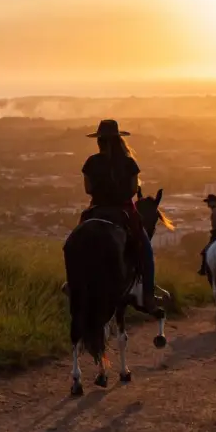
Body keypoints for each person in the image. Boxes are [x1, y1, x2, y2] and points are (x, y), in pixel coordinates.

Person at [79, 119, 159, 314]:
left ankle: (73, 283)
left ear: (99, 141)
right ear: (117, 139)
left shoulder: (91, 162)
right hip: (123, 210)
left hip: (96, 209)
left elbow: (88, 189)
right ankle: (148, 295)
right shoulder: (129, 162)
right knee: (145, 248)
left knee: (78, 239)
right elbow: (133, 189)